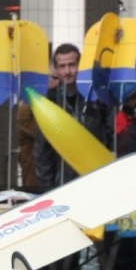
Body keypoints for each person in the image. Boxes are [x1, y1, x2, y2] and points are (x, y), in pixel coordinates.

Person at [33, 44, 108, 189]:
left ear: (80, 66)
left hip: (96, 181)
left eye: (72, 65)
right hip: (62, 183)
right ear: (55, 69)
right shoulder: (50, 101)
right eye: (62, 66)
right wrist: (49, 189)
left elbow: (109, 136)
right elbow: (42, 151)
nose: (67, 71)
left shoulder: (96, 98)